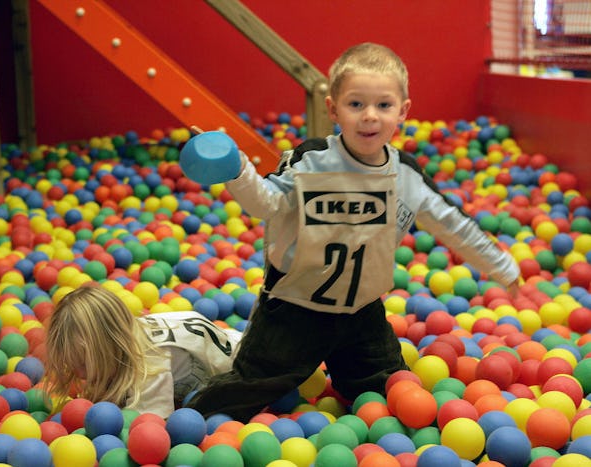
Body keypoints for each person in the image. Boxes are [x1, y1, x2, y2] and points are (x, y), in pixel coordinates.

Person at [186, 42, 521, 422]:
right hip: (295, 308)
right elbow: (267, 202)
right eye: (356, 104)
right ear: (333, 109)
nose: (370, 117)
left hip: (361, 311)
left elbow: (452, 223)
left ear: (403, 111)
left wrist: (500, 264)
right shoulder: (311, 161)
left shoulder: (405, 176)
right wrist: (236, 168)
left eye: (383, 105)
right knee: (250, 386)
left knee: (389, 393)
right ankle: (186, 414)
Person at [43, 283, 241, 418]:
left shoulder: (151, 364)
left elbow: (152, 424)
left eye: (85, 364)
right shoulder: (128, 335)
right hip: (226, 338)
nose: (80, 375)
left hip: (244, 363)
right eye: (72, 364)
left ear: (113, 346)